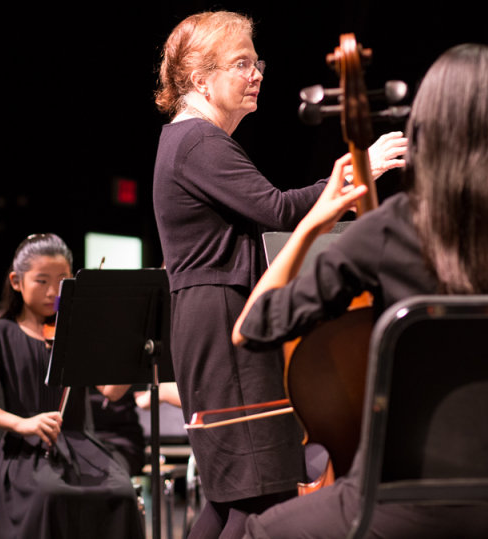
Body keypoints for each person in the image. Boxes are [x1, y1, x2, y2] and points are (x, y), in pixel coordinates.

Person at [232, 43, 488, 538]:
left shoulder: (393, 229)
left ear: (426, 129)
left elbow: (255, 326)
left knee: (263, 532)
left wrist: (314, 219)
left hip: (408, 506)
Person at [152, 10, 407, 537]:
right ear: (200, 78)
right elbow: (279, 210)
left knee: (232, 499)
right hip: (226, 321)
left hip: (212, 318)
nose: (256, 74)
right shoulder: (198, 141)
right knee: (258, 495)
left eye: (257, 61)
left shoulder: (188, 141)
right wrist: (360, 171)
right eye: (241, 63)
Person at [0, 233, 143, 539]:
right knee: (49, 495)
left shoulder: (74, 330)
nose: (52, 291)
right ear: (16, 282)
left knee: (122, 492)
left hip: (82, 446)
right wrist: (22, 423)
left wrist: (132, 344)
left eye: (62, 281)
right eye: (41, 281)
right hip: (26, 451)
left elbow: (110, 391)